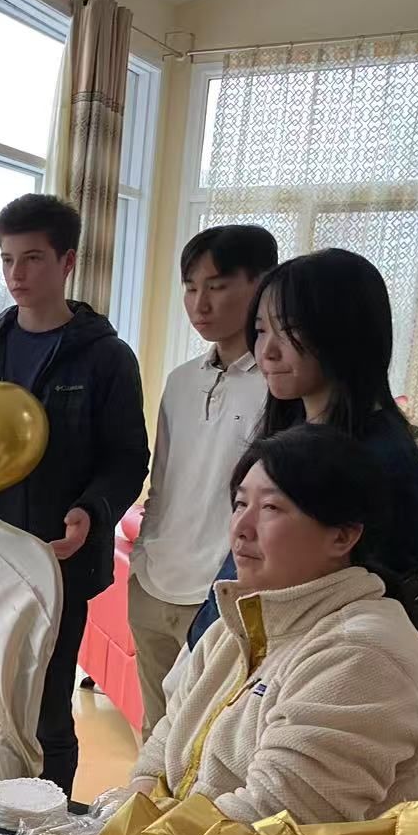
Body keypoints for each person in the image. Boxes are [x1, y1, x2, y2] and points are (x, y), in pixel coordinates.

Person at [0, 194, 149, 793]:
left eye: (33, 258)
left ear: (67, 262)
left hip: (55, 565)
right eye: (8, 259)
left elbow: (126, 458)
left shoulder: (106, 359)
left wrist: (89, 513)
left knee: (44, 706)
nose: (17, 274)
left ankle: (47, 827)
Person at [132, 425, 418, 824]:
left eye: (272, 508)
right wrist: (127, 816)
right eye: (240, 504)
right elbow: (161, 748)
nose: (242, 528)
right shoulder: (236, 625)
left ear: (342, 537)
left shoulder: (361, 654)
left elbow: (271, 824)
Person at [184, 248, 418, 648]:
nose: (265, 351)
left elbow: (383, 610)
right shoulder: (289, 438)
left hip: (296, 680)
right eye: (261, 329)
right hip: (232, 661)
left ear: (346, 332)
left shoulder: (389, 463)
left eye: (288, 330)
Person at [127, 226, 277, 739]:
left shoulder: (280, 386)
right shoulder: (182, 378)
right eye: (191, 287)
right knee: (155, 734)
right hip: (153, 580)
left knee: (211, 743)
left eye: (216, 285)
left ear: (260, 285)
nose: (200, 302)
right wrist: (144, 555)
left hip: (222, 592)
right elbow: (163, 480)